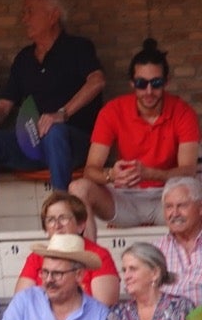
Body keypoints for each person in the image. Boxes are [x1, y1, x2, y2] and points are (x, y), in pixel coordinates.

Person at [0, 0, 103, 233]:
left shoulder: (78, 48)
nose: (24, 19)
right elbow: (5, 105)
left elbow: (97, 81)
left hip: (72, 143)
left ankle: (62, 211)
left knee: (55, 131)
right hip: (30, 143)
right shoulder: (24, 59)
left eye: (30, 12)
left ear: (53, 16)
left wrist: (62, 113)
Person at [72, 39, 198, 240]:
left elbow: (188, 170)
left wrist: (150, 174)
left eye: (156, 83)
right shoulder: (113, 111)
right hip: (124, 200)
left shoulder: (183, 112)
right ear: (132, 83)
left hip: (168, 199)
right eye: (141, 83)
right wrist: (111, 176)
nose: (148, 91)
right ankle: (91, 263)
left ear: (166, 82)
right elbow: (90, 170)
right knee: (78, 188)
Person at [15, 191, 120, 308]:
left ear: (81, 225)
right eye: (51, 220)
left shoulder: (98, 256)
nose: (57, 225)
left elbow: (103, 308)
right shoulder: (36, 257)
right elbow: (20, 304)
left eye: (63, 218)